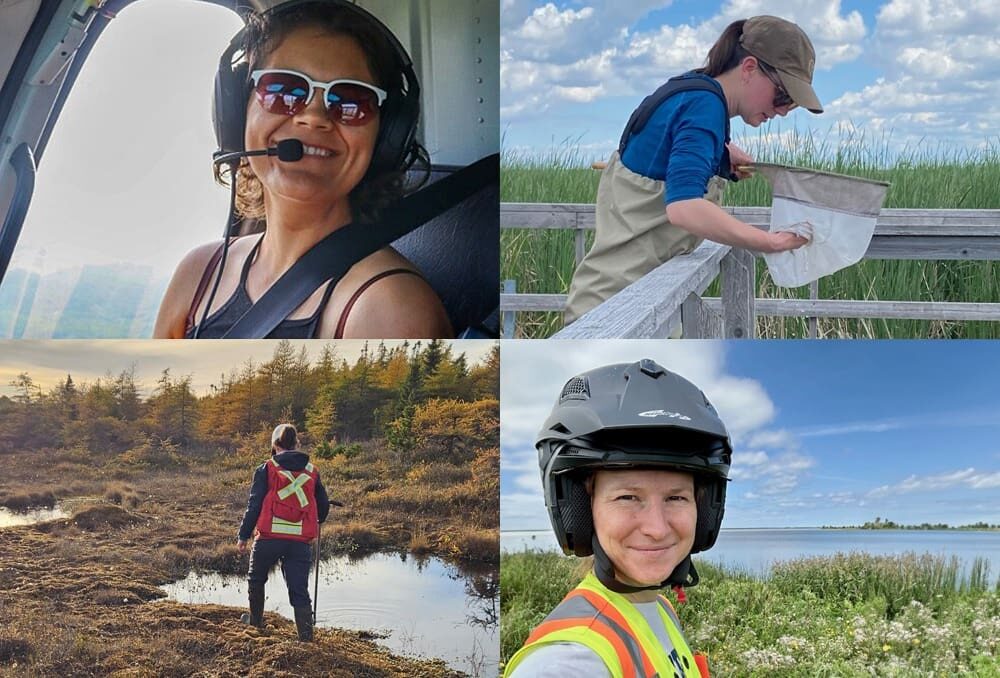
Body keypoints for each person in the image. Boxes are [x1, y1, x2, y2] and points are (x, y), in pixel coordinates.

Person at [154, 0, 452, 339]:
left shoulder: (388, 309)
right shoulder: (198, 274)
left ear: (387, 136)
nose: (314, 116)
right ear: (237, 111)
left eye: (350, 101)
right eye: (282, 90)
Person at [565, 16, 824, 324]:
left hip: (628, 301)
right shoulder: (705, 107)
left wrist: (719, 157)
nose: (782, 110)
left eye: (791, 104)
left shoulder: (690, 91)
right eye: (783, 95)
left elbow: (656, 158)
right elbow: (685, 208)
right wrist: (768, 242)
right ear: (750, 68)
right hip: (617, 312)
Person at [504, 359, 732, 677]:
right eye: (627, 497)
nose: (656, 528)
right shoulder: (568, 662)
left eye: (676, 498)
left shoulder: (660, 607)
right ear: (583, 507)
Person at [237, 423, 330, 641]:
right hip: (299, 542)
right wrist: (319, 519)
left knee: (256, 579)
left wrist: (243, 536)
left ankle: (256, 623)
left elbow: (255, 504)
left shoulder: (266, 469)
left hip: (268, 538)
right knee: (299, 589)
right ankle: (306, 638)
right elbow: (323, 505)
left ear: (275, 444)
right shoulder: (311, 471)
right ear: (296, 443)